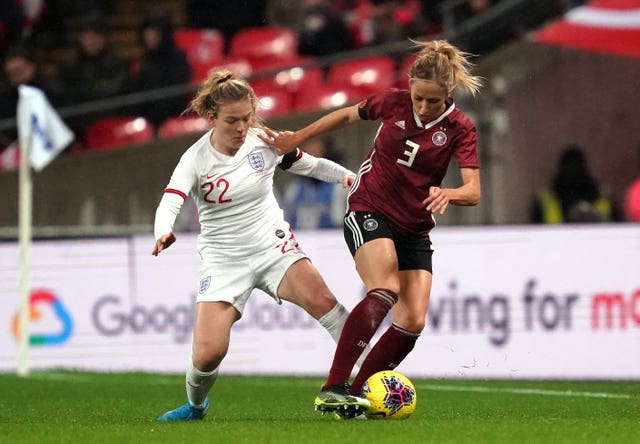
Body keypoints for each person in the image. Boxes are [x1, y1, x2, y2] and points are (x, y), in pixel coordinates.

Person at [260, 39, 483, 418]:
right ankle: (334, 387)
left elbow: (474, 191)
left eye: (433, 101)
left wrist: (450, 194)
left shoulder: (461, 128)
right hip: (370, 207)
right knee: (384, 289)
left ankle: (359, 396)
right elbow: (346, 115)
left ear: (448, 94)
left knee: (412, 321)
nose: (424, 107)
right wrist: (297, 139)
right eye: (419, 98)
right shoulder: (393, 102)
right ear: (410, 88)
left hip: (414, 226)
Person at [153, 68, 358, 421]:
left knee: (327, 303)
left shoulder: (263, 141)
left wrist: (348, 177)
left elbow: (308, 165)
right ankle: (196, 407)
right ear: (212, 117)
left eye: (246, 118)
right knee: (207, 355)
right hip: (223, 261)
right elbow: (171, 199)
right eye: (232, 120)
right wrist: (163, 230)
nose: (240, 128)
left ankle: (364, 386)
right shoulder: (195, 159)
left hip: (273, 247)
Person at [129, 11, 191, 127]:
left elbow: (176, 98)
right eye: (147, 32)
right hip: (144, 122)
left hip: (171, 121)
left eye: (155, 32)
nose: (150, 36)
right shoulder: (142, 61)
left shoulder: (178, 59)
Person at [529, 145, 619, 224]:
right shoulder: (544, 199)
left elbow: (620, 229)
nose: (573, 171)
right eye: (569, 167)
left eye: (576, 166)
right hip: (557, 242)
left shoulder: (603, 196)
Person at [280, 137, 349, 229]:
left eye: (316, 153)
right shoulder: (294, 188)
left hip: (332, 237)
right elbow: (286, 218)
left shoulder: (340, 187)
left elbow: (343, 220)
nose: (311, 161)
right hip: (301, 238)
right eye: (307, 155)